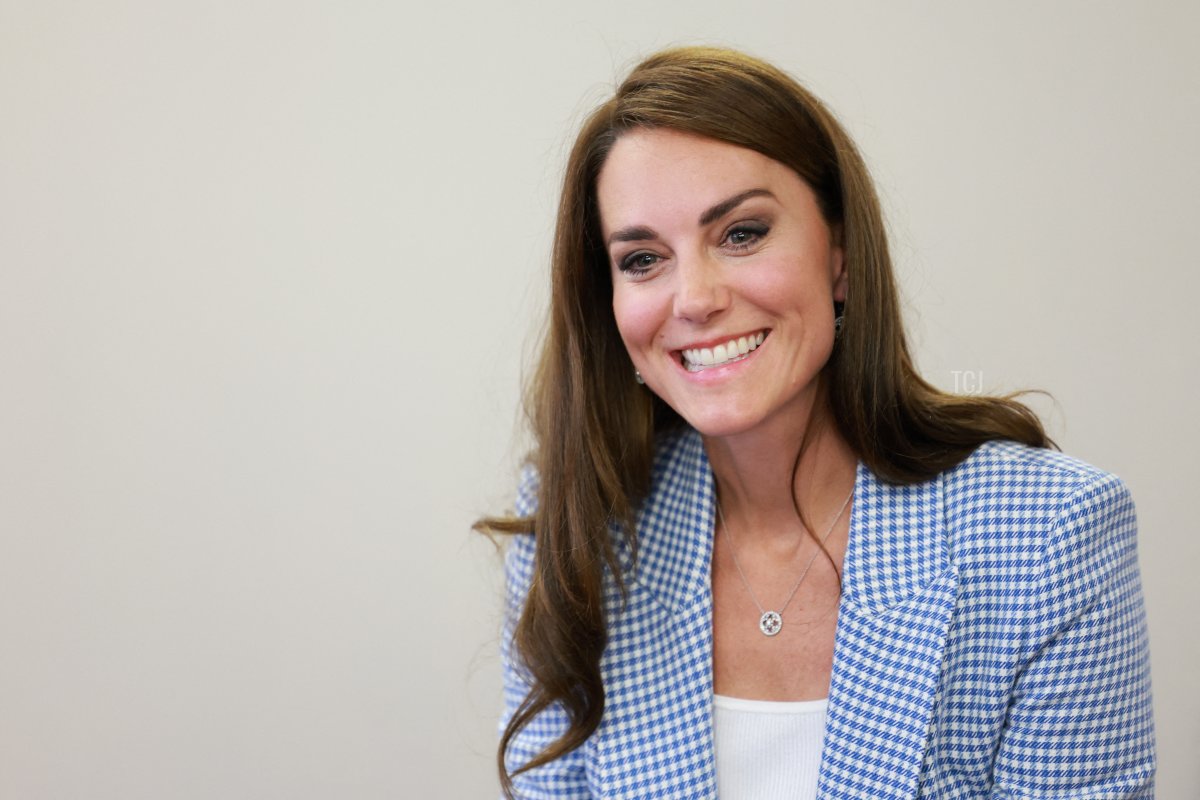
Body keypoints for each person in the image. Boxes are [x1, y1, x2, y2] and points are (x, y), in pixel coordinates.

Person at [478, 46, 1155, 799]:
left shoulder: (1050, 535)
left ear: (839, 255)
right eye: (642, 259)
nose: (694, 299)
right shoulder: (577, 530)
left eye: (741, 233)